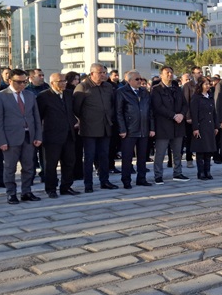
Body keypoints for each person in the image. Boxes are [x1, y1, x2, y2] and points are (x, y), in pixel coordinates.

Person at [0, 69, 43, 205]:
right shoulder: (0, 97)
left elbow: (36, 117)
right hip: (10, 138)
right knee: (10, 168)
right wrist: (1, 140)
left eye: (24, 82)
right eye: (19, 82)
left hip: (28, 136)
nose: (22, 85)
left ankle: (26, 191)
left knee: (29, 166)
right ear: (10, 81)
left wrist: (38, 135)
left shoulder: (30, 95)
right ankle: (11, 193)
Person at [74, 63, 119, 192]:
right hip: (89, 128)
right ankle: (88, 184)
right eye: (100, 73)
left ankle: (105, 181)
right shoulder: (82, 87)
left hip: (105, 127)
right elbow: (76, 109)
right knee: (89, 157)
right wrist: (84, 120)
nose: (104, 75)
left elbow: (112, 104)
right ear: (92, 73)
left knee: (104, 155)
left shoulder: (108, 86)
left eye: (105, 72)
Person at [37, 73, 79, 198]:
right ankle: (51, 189)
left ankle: (66, 186)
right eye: (60, 81)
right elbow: (38, 117)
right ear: (52, 83)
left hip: (68, 134)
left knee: (69, 162)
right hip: (51, 136)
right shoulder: (43, 96)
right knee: (51, 164)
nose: (63, 83)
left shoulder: (68, 94)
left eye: (64, 81)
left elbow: (71, 111)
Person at [116, 70, 154, 189]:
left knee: (142, 156)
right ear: (129, 80)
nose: (140, 81)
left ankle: (141, 178)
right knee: (127, 157)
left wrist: (151, 128)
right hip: (129, 129)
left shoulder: (144, 92)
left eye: (141, 79)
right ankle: (126, 180)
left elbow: (150, 111)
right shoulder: (121, 92)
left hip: (143, 128)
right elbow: (119, 112)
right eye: (137, 79)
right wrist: (122, 129)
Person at [152, 66, 189, 184]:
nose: (169, 75)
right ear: (161, 75)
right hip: (163, 125)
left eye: (171, 73)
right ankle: (158, 175)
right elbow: (158, 107)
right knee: (160, 153)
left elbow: (184, 104)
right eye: (167, 73)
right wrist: (174, 115)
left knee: (178, 152)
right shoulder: (156, 89)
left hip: (178, 125)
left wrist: (182, 115)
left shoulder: (177, 88)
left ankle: (177, 173)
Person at [190, 76, 218, 179]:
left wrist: (216, 126)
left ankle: (208, 171)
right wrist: (195, 128)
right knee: (201, 151)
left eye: (209, 84)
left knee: (209, 150)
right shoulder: (196, 97)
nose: (208, 86)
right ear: (200, 85)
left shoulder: (210, 96)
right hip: (201, 126)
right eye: (205, 84)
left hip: (210, 126)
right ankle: (200, 172)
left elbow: (214, 112)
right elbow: (194, 113)